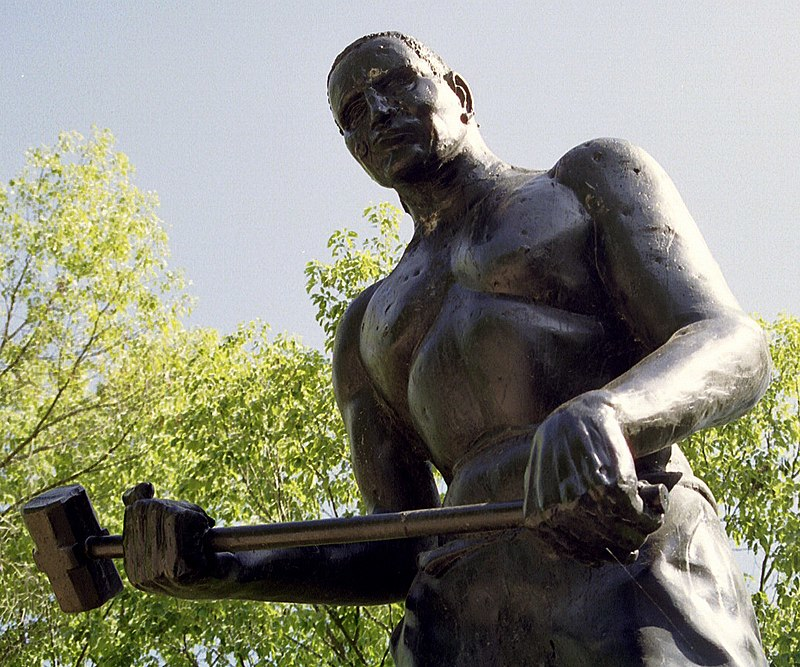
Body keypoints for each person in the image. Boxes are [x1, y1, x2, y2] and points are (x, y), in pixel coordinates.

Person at [123, 32, 771, 665]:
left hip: (623, 549)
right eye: (353, 115)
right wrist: (222, 564)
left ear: (458, 92)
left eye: (395, 83)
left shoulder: (588, 179)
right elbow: (396, 543)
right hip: (459, 614)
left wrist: (609, 413)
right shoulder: (366, 326)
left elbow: (733, 343)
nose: (378, 113)